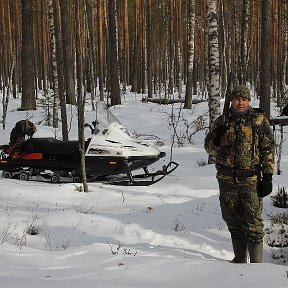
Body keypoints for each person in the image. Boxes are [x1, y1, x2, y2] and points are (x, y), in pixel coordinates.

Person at [204, 84, 275, 263]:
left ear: (249, 101)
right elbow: (208, 148)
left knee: (253, 223)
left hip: (250, 179)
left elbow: (268, 149)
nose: (240, 103)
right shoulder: (221, 121)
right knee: (232, 220)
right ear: (231, 101)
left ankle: (257, 267)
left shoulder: (258, 120)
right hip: (226, 180)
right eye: (236, 99)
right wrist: (217, 139)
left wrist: (267, 176)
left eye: (244, 99)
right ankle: (239, 261)